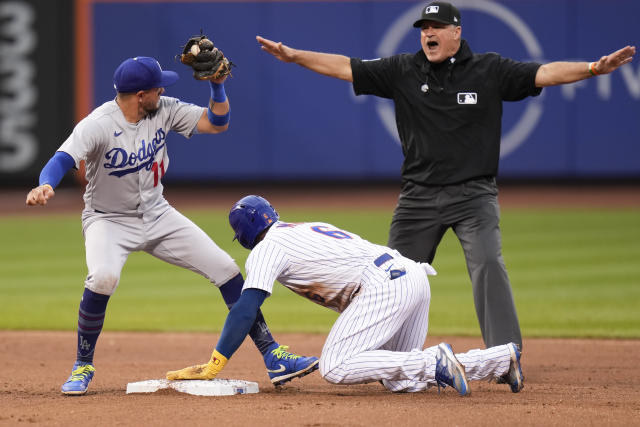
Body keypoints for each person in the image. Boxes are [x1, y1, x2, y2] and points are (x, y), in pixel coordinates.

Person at [255, 1, 636, 349]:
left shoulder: (489, 69)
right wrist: (294, 56)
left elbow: (545, 73)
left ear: (456, 32)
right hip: (418, 198)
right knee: (391, 276)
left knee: (488, 264)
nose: (428, 33)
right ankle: (385, 355)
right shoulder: (402, 70)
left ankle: (506, 354)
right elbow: (344, 66)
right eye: (423, 28)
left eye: (436, 27)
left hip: (474, 195)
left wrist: (592, 68)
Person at [25, 56, 318, 395]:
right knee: (103, 277)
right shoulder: (98, 124)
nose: (163, 90)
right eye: (157, 86)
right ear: (139, 95)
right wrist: (46, 183)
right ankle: (82, 364)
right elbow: (63, 158)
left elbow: (216, 122)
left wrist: (217, 85)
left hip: (158, 213)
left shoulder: (163, 108)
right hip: (108, 219)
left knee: (226, 268)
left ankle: (274, 356)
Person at [165, 195, 524, 396]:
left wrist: (217, 361)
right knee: (402, 380)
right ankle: (499, 359)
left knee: (335, 366)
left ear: (243, 235)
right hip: (412, 275)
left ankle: (435, 361)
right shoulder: (302, 228)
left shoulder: (266, 249)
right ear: (272, 215)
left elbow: (245, 307)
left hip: (384, 285)